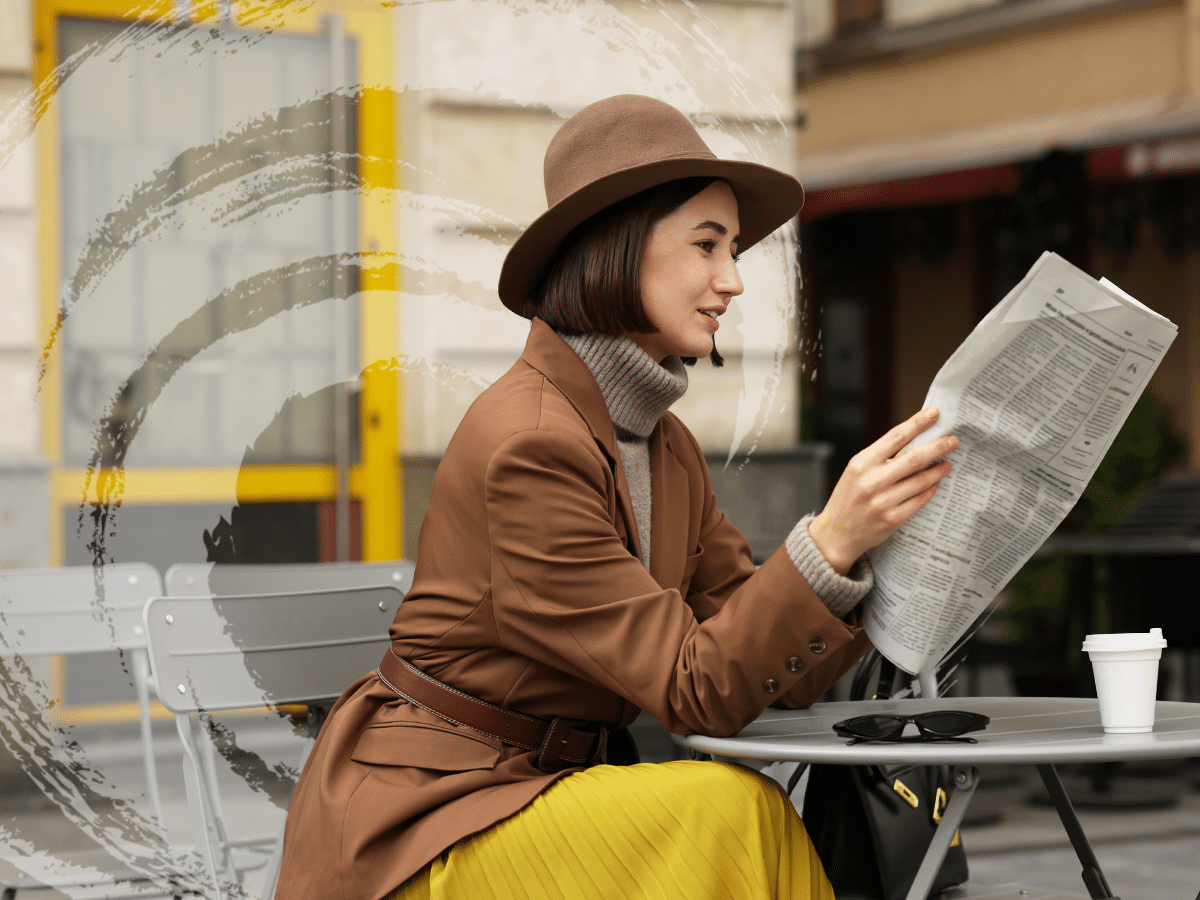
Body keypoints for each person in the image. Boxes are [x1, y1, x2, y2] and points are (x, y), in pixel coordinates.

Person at [274, 94, 957, 900]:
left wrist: (875, 555)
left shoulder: (665, 447)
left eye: (734, 249)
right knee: (729, 810)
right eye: (707, 245)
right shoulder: (530, 446)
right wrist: (829, 541)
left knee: (738, 810)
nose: (732, 281)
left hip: (548, 790)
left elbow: (753, 664)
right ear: (617, 249)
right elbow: (692, 688)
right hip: (429, 821)